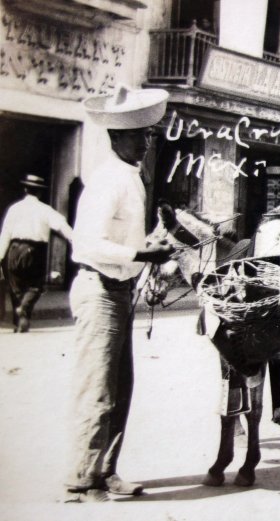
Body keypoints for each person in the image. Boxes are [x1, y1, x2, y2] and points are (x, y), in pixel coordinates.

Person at [64, 85, 174, 503]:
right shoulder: (107, 179)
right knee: (97, 387)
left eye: (149, 135)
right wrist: (141, 251)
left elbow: (122, 237)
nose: (148, 142)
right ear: (118, 137)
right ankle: (80, 479)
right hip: (99, 289)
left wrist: (147, 248)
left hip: (121, 290)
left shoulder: (132, 178)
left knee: (120, 386)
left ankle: (105, 471)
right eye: (141, 135)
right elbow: (85, 244)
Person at [0, 174, 73, 332]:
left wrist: (0, 256)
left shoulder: (14, 209)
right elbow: (62, 226)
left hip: (14, 249)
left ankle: (18, 320)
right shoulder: (45, 210)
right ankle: (24, 309)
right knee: (35, 285)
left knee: (16, 286)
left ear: (25, 189)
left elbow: (5, 233)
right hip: (35, 250)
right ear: (40, 192)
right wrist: (76, 240)